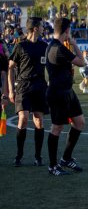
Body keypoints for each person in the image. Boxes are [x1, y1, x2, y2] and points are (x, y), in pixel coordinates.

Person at [45, 17, 86, 176]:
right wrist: (74, 43)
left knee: (80, 122)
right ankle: (53, 166)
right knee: (57, 127)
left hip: (68, 91)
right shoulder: (58, 48)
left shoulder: (55, 46)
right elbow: (82, 62)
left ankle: (66, 158)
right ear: (67, 30)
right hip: (58, 92)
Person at [8, 17, 49, 167]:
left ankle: (38, 157)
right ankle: (19, 155)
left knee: (38, 120)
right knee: (23, 119)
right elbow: (10, 67)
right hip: (23, 86)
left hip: (40, 86)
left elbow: (50, 65)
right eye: (42, 26)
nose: (44, 28)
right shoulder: (20, 46)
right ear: (36, 28)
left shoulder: (44, 46)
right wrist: (11, 90)